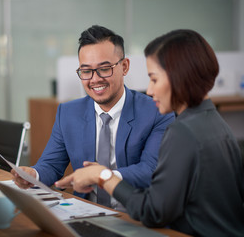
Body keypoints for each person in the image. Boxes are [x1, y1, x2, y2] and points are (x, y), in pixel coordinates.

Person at [56, 29, 244, 236]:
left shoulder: (182, 132)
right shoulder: (215, 122)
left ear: (178, 77)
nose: (151, 90)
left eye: (154, 79)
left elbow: (153, 212)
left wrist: (102, 175)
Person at [12, 25, 174, 209]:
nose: (95, 79)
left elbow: (150, 170)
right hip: (85, 211)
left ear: (124, 66)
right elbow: (51, 164)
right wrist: (33, 174)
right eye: (86, 71)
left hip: (134, 215)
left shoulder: (156, 112)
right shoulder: (68, 113)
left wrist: (102, 176)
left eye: (104, 69)